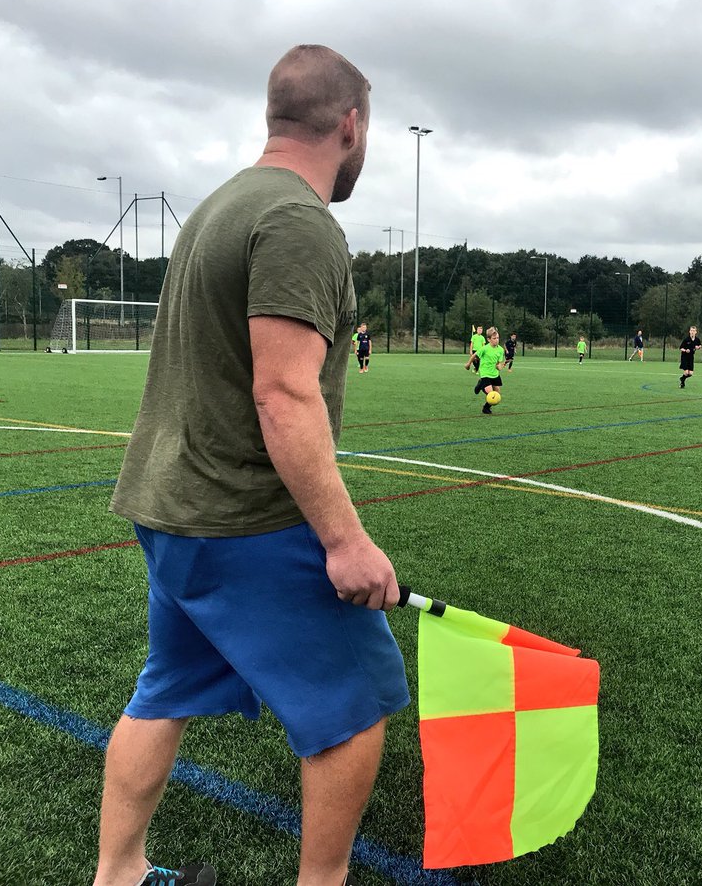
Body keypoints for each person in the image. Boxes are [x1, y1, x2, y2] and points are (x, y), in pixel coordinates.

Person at [98, 46, 408, 886]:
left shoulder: (220, 207)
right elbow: (285, 394)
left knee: (165, 690)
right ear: (351, 125)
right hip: (245, 517)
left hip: (171, 506)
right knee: (356, 707)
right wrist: (344, 542)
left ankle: (118, 875)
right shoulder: (299, 222)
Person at [467, 326, 506, 413]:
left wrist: (499, 366)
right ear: (488, 339)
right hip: (485, 373)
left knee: (497, 395)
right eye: (494, 338)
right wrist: (468, 364)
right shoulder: (485, 348)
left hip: (495, 374)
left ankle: (486, 408)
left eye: (498, 338)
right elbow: (474, 355)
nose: (496, 340)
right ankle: (482, 385)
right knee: (491, 394)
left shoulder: (500, 350)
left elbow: (499, 363)